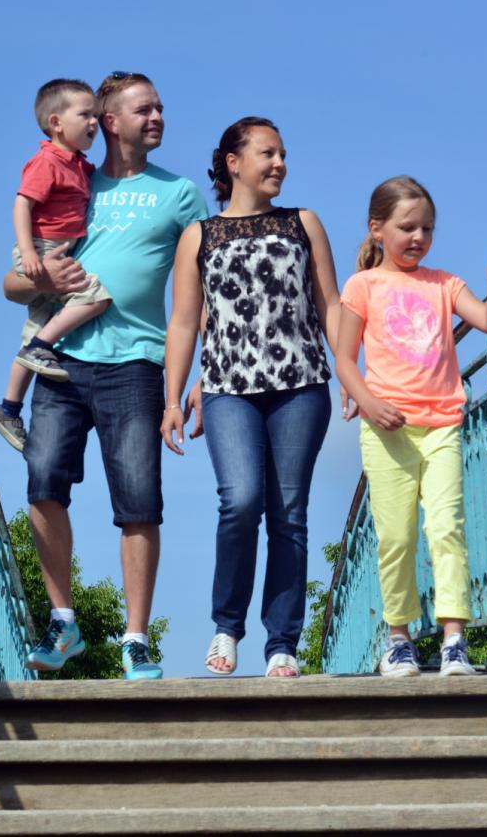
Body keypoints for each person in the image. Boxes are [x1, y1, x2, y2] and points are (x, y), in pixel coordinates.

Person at [3, 72, 208, 678]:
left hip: (138, 364)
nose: (159, 117)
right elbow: (11, 282)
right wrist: (45, 279)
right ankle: (63, 623)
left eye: (162, 108)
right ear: (109, 121)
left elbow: (203, 300)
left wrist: (194, 380)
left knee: (140, 503)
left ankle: (135, 638)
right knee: (42, 485)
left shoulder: (181, 195)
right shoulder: (69, 180)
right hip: (61, 362)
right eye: (145, 109)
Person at [161, 117, 342, 678]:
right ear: (233, 162)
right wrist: (172, 398)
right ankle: (226, 626)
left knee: (288, 513)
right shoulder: (200, 235)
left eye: (284, 153)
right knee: (240, 502)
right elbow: (185, 323)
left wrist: (353, 376)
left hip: (301, 386)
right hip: (227, 389)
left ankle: (283, 642)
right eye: (268, 153)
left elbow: (331, 306)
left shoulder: (303, 223)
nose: (280, 163)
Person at [336, 175, 487, 677]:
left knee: (446, 529)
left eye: (427, 229)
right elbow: (345, 361)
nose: (418, 237)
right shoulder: (363, 286)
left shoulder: (444, 284)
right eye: (407, 227)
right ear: (377, 229)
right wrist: (369, 402)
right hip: (387, 429)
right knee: (396, 538)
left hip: (442, 422)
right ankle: (398, 638)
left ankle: (454, 639)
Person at [0, 79, 112, 452]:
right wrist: (28, 253)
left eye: (96, 115)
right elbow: (22, 204)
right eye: (85, 114)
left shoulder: (78, 165)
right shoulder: (48, 161)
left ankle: (8, 408)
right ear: (56, 122)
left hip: (54, 249)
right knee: (96, 298)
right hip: (43, 249)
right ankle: (40, 347)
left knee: (36, 328)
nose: (94, 123)